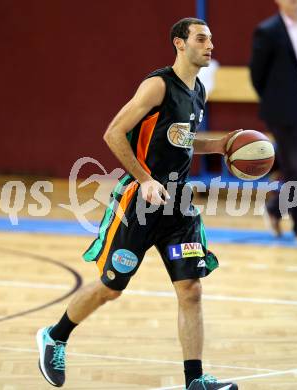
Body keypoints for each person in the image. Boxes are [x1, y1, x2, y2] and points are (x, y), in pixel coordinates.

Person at [36, 17, 239, 390]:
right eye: (201, 39)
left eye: (211, 39)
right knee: (111, 288)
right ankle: (56, 336)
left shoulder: (198, 91)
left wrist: (220, 146)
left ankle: (195, 380)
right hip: (140, 201)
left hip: (178, 203)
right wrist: (145, 180)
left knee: (191, 290)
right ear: (180, 43)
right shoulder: (158, 85)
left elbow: (182, 142)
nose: (210, 45)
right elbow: (113, 132)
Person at [249, 0, 297, 241]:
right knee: (294, 169)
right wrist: (276, 99)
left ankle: (274, 209)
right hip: (281, 110)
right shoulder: (267, 30)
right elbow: (257, 74)